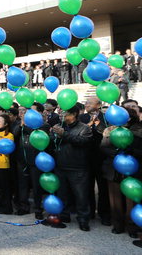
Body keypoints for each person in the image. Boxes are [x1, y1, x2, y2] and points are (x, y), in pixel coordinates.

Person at [100, 108, 142, 237]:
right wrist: (118, 153)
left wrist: (128, 150)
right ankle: (118, 225)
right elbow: (104, 147)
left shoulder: (138, 131)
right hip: (114, 170)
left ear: (128, 118)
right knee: (115, 199)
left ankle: (132, 227)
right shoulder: (110, 130)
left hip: (133, 170)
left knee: (132, 199)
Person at [51, 106, 93, 231]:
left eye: (65, 112)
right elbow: (52, 142)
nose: (62, 115)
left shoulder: (84, 128)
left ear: (74, 114)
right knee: (62, 194)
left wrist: (63, 134)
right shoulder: (60, 126)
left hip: (78, 168)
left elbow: (81, 141)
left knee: (81, 196)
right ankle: (64, 215)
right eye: (61, 112)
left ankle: (83, 220)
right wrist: (54, 135)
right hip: (61, 166)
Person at [14, 103, 50, 219]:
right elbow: (15, 134)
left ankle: (38, 208)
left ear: (39, 113)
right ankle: (23, 207)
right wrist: (21, 125)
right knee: (22, 185)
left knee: (36, 186)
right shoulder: (20, 124)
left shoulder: (43, 125)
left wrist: (25, 124)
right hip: (22, 160)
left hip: (36, 160)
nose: (28, 114)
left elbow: (35, 132)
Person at [79, 97, 110, 225]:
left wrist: (99, 126)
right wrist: (88, 126)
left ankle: (104, 214)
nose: (86, 105)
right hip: (85, 157)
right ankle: (89, 212)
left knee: (103, 188)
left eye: (89, 103)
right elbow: (78, 133)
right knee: (87, 186)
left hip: (101, 157)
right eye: (86, 103)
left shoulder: (106, 118)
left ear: (98, 105)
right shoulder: (82, 118)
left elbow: (109, 134)